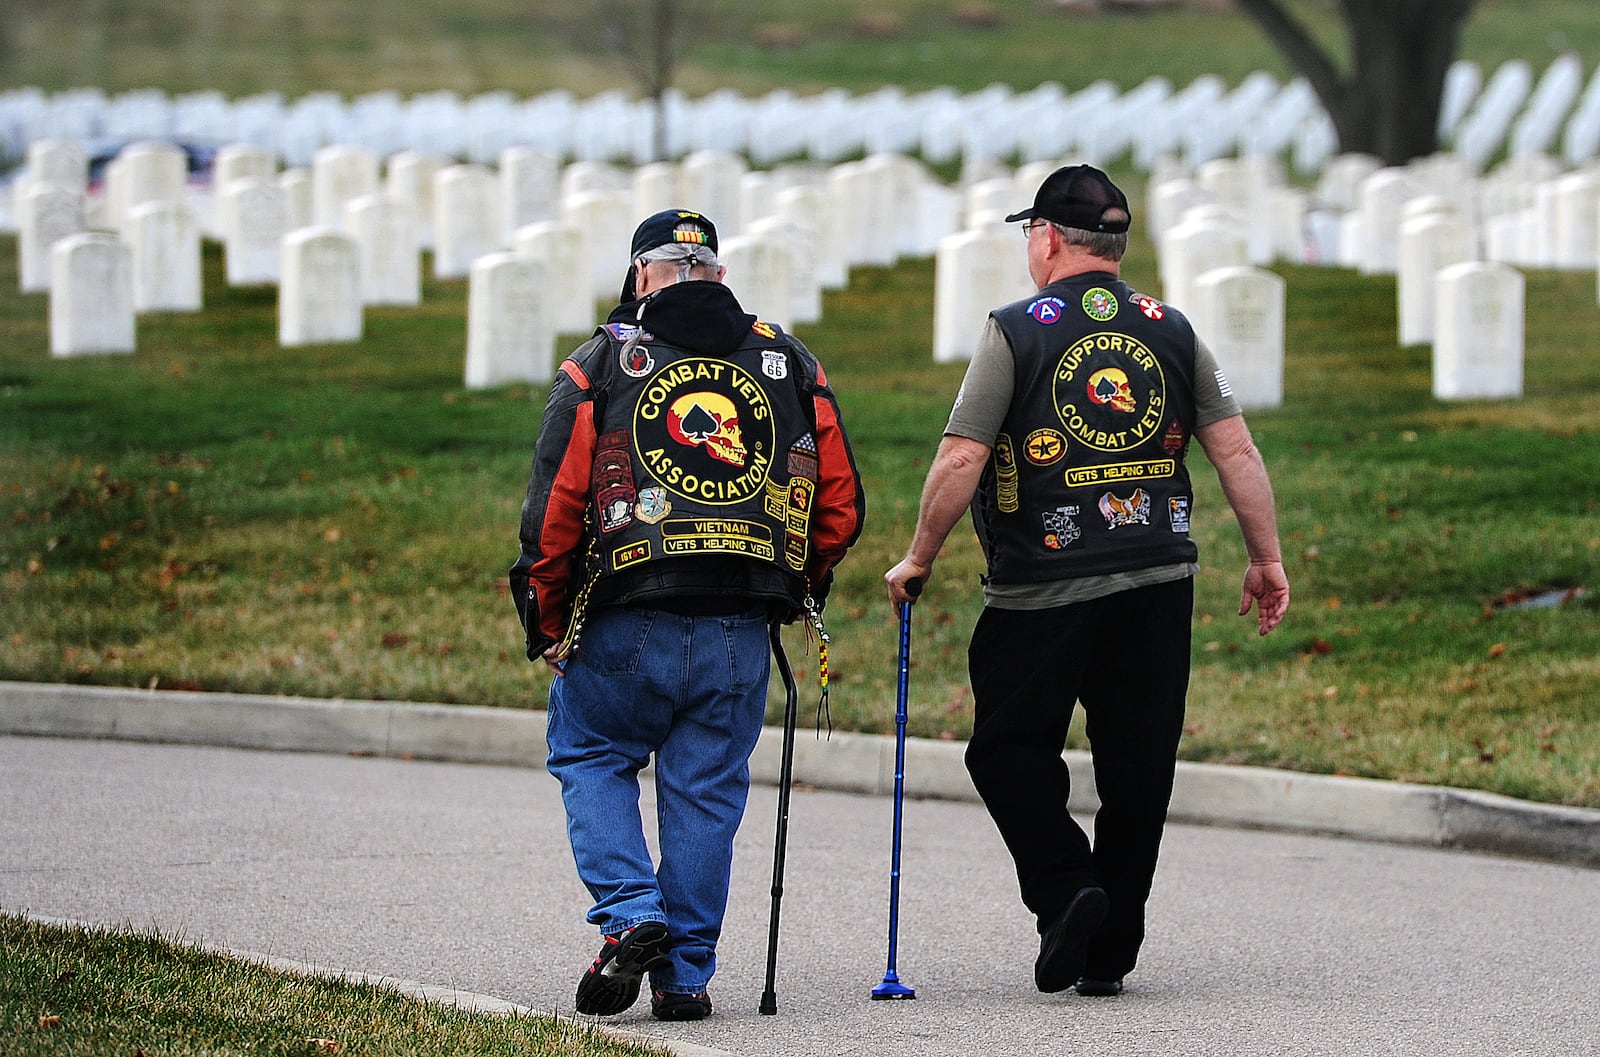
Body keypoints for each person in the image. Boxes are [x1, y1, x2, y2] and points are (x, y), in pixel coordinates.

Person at [884, 165, 1289, 999]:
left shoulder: (1016, 330)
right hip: (1157, 577)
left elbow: (962, 454)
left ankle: (1070, 890)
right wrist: (1266, 557)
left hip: (1043, 584)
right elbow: (1237, 450)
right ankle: (1111, 945)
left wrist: (921, 554)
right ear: (1115, 243)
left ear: (1047, 238)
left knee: (1006, 748)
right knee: (1139, 762)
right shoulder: (1169, 328)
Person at [511, 208, 865, 1022]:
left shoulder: (602, 361)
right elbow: (840, 504)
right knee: (706, 792)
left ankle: (632, 914)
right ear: (718, 274)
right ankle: (685, 976)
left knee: (590, 751)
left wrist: (548, 618)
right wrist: (798, 586)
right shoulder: (789, 360)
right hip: (744, 622)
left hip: (625, 612)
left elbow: (557, 508)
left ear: (642, 277)